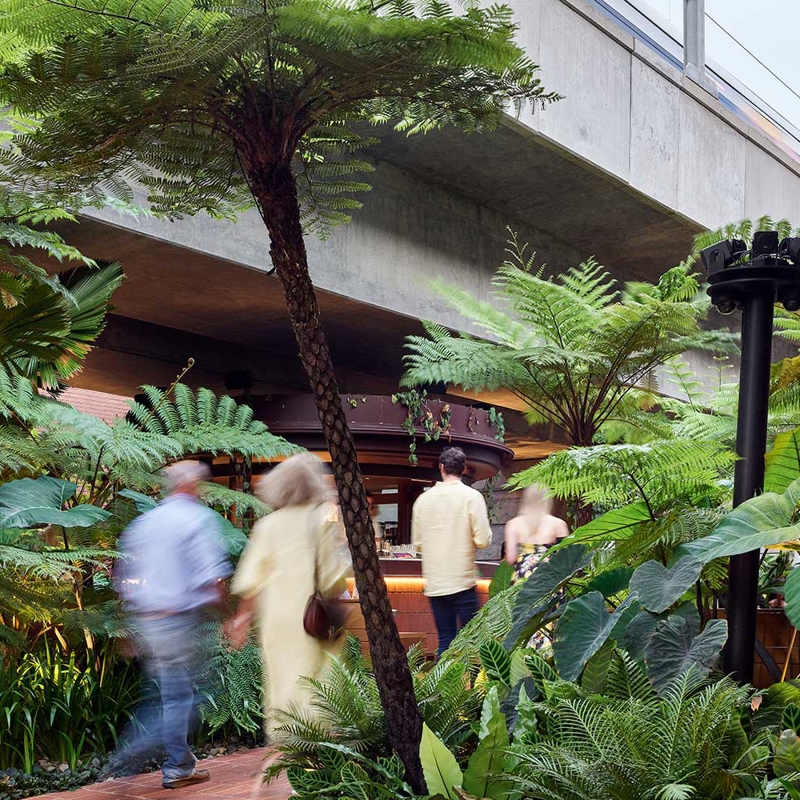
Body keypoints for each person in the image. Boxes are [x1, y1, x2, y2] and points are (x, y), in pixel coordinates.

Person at [111, 461, 232, 789]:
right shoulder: (197, 519)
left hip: (148, 621)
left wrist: (128, 627)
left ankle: (179, 764)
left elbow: (123, 576)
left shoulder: (145, 522)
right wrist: (227, 615)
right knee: (188, 698)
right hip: (179, 621)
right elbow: (212, 576)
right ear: (192, 485)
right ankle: (136, 755)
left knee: (169, 695)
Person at [226, 454, 351, 741]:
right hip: (313, 617)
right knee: (317, 678)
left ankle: (286, 738)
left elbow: (250, 579)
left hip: (276, 618)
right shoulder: (321, 520)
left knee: (281, 677)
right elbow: (332, 579)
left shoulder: (267, 525)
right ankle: (315, 738)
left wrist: (242, 618)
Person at [411, 446, 492, 658]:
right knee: (473, 642)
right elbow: (483, 540)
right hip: (463, 581)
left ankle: (444, 679)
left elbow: (417, 544)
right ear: (463, 469)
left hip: (436, 583)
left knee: (445, 639)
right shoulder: (472, 497)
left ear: (441, 467)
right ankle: (473, 680)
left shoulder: (423, 501)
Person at [504, 484, 569, 583]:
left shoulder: (513, 525)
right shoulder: (559, 524)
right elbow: (565, 558)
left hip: (523, 579)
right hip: (549, 578)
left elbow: (510, 558)